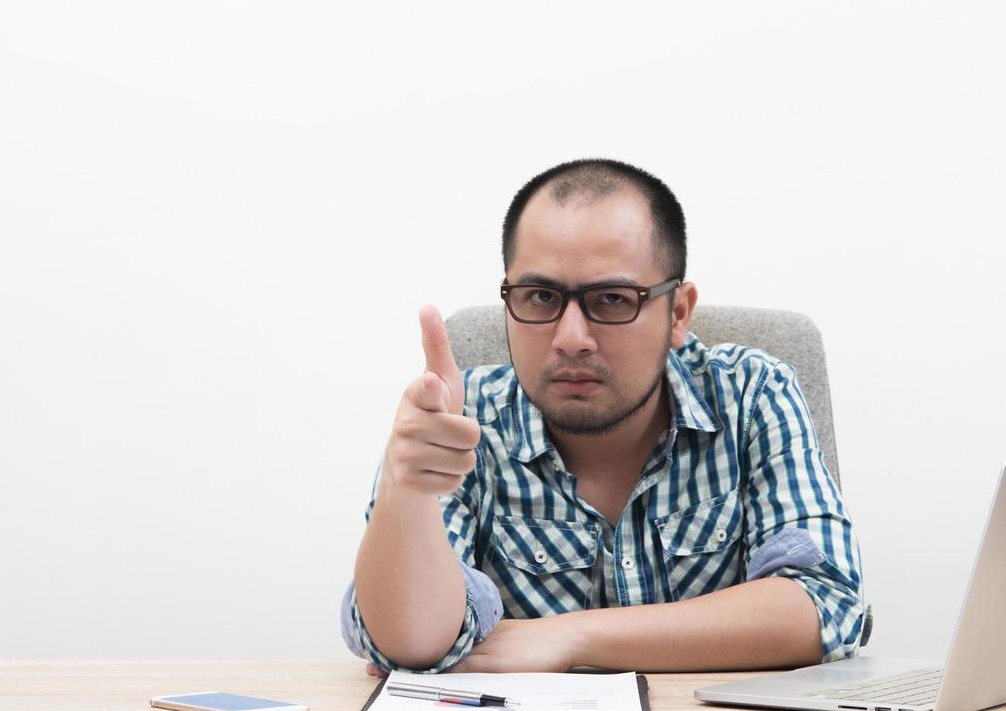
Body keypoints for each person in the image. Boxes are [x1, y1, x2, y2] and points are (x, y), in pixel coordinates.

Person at [341, 158, 865, 674]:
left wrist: (572, 636)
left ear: (678, 313)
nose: (571, 340)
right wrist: (403, 491)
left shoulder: (751, 393)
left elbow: (827, 604)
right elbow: (407, 645)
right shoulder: (462, 421)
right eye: (540, 297)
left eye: (613, 299)